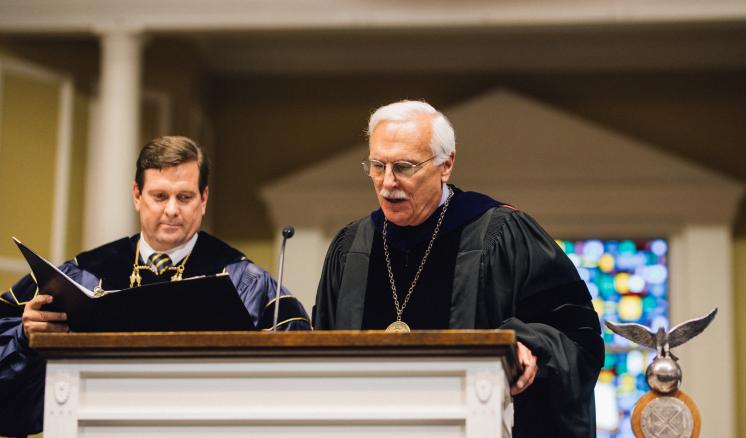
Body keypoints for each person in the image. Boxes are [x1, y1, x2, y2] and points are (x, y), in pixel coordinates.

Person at [314, 101, 604, 437]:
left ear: (445, 164)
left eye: (404, 167)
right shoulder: (351, 247)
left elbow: (578, 336)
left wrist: (529, 348)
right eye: (378, 166)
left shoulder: (503, 234)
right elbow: (324, 351)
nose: (387, 183)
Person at [0, 136, 311, 436]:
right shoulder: (81, 275)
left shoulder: (250, 285)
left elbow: (295, 383)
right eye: (160, 196)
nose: (172, 210)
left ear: (203, 199)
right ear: (137, 196)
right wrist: (26, 337)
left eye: (185, 197)